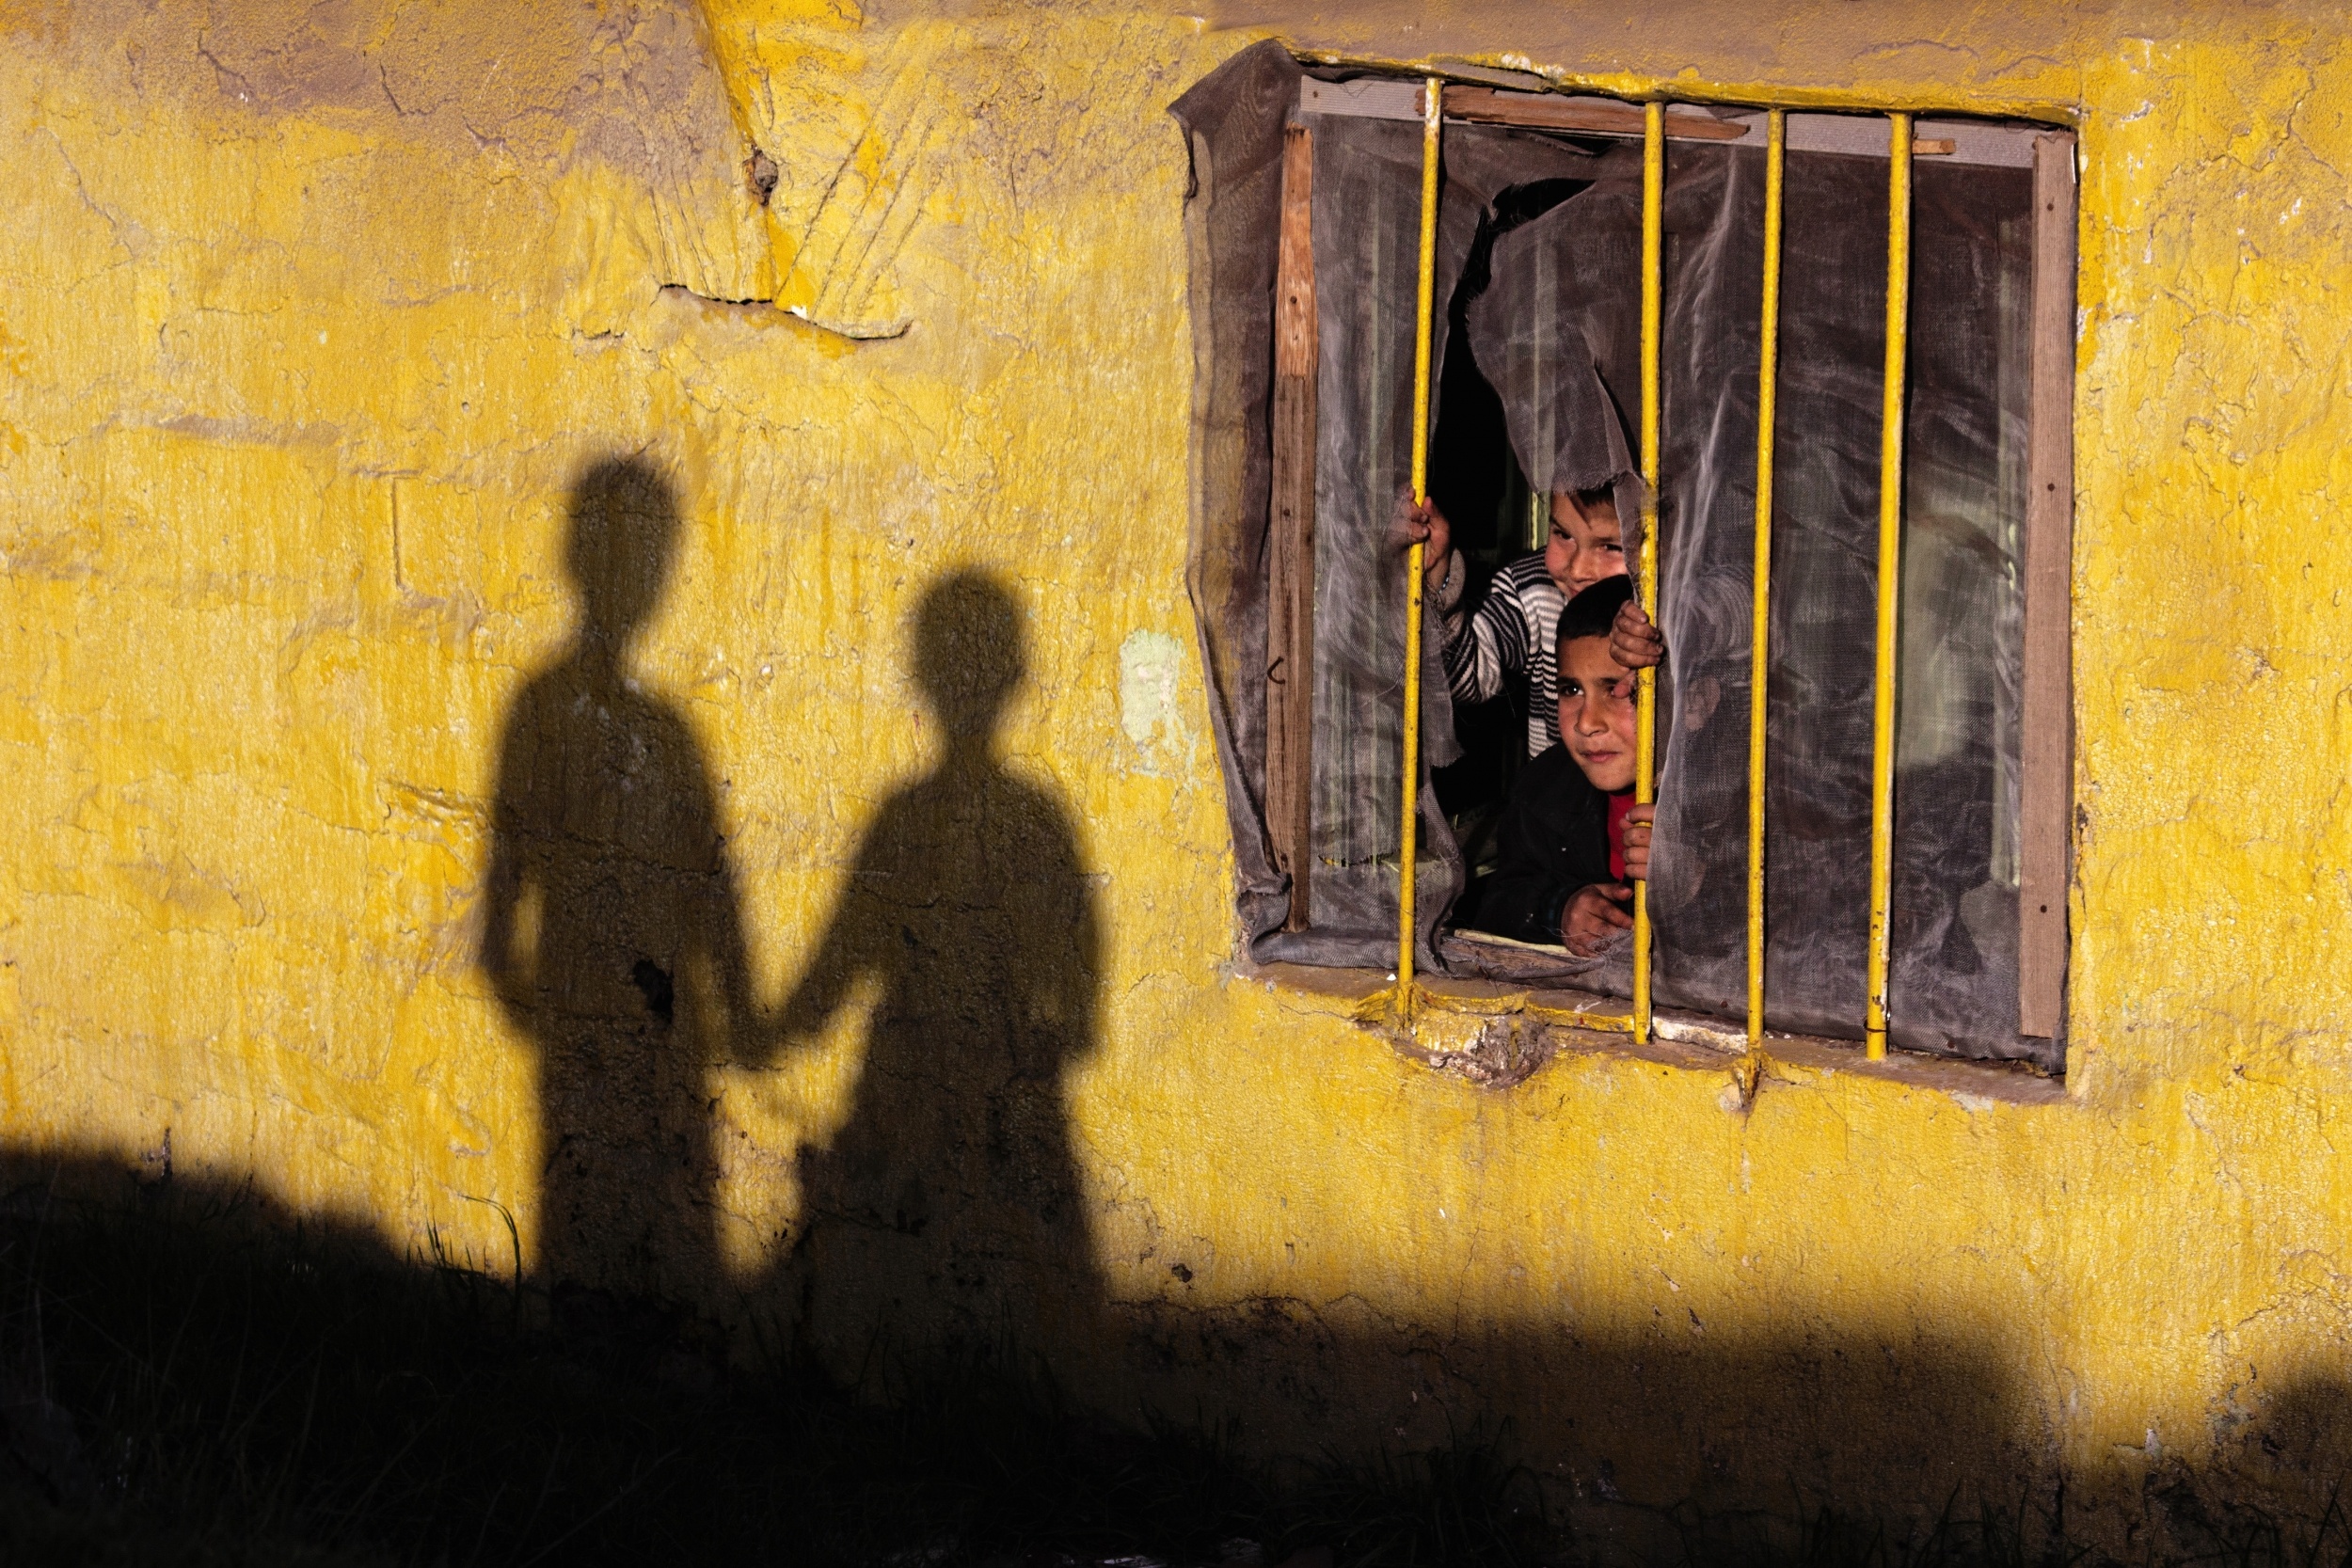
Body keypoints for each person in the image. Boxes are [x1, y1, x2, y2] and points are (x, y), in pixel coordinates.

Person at [1456, 576, 1657, 956]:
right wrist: (1559, 909)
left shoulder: (1727, 796)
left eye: (1618, 691)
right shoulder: (1544, 787)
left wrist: (1694, 874)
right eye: (1571, 690)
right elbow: (1499, 903)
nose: (1586, 722)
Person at [1406, 489, 1663, 757]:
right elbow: (1463, 678)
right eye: (1563, 535)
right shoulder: (1534, 588)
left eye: (1610, 547)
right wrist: (1434, 581)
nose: (1577, 570)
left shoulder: (1675, 606)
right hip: (1562, 782)